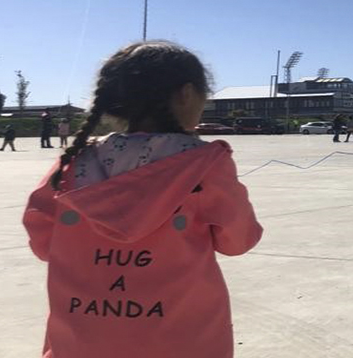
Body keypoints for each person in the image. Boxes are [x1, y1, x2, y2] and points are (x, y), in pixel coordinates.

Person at [22, 41, 262, 358]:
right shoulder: (203, 165)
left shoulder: (75, 161)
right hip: (184, 342)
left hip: (82, 341)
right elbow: (238, 241)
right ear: (186, 94)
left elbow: (42, 243)